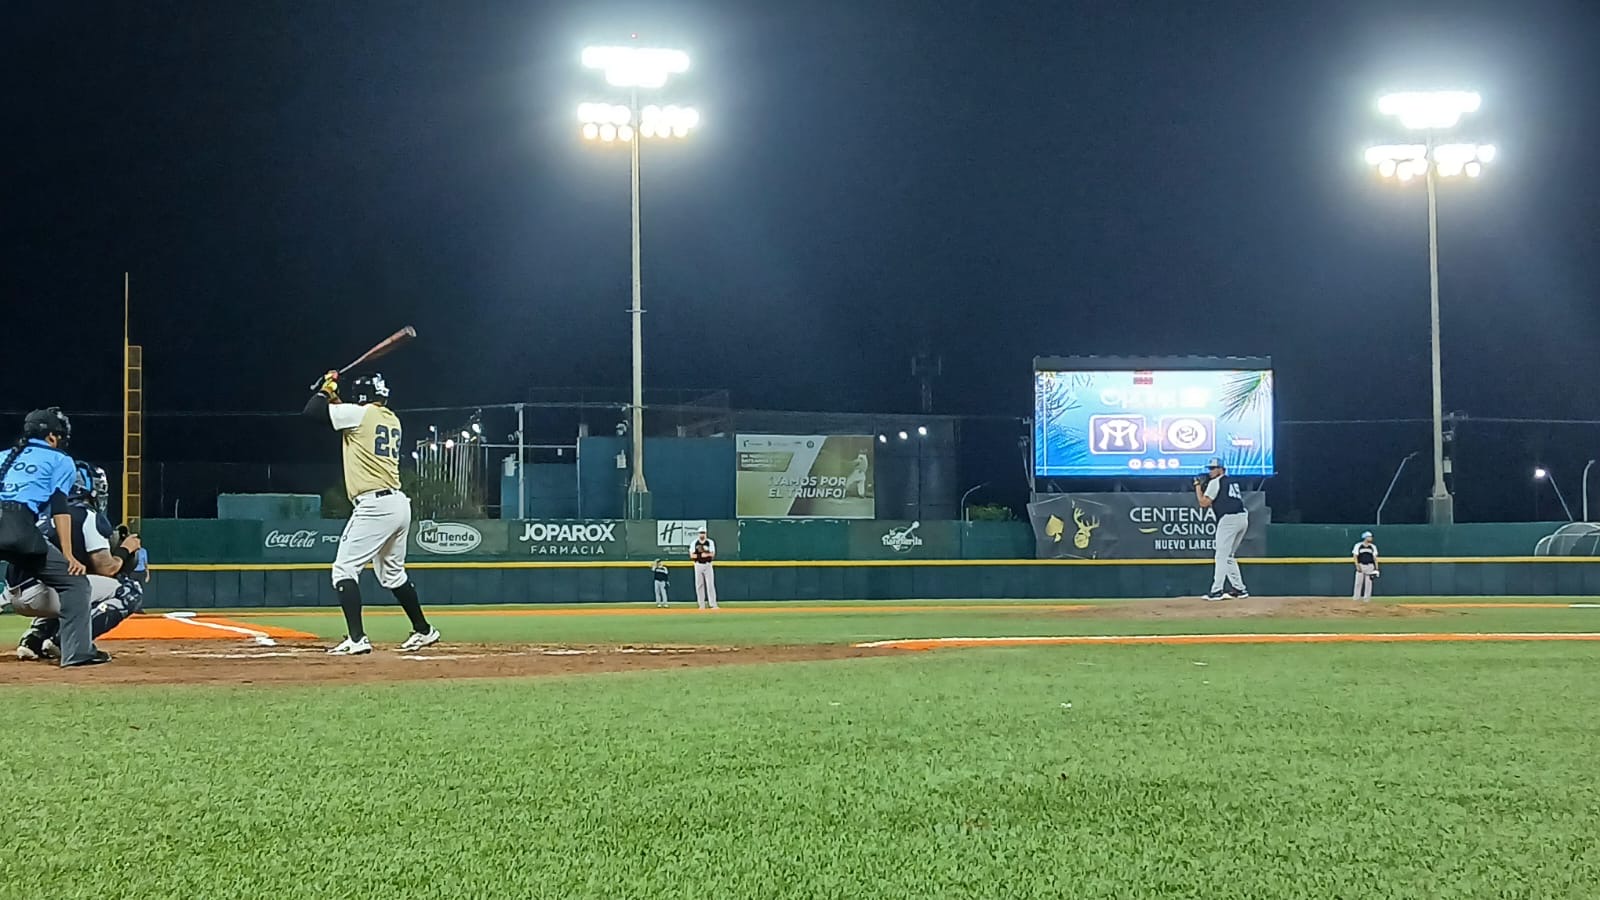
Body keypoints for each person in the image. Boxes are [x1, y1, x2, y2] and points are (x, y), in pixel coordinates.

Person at [303, 370, 440, 655]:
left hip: (375, 505)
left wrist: (327, 388)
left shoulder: (360, 414)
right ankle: (424, 631)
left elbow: (311, 412)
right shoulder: (390, 418)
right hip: (398, 503)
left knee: (343, 569)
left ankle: (356, 638)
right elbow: (344, 414)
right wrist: (333, 394)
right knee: (392, 575)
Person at [0, 408, 108, 667]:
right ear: (51, 437)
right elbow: (60, 509)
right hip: (19, 527)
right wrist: (69, 555)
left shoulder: (3, 456)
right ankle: (76, 653)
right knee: (75, 585)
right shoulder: (60, 460)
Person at [13, 462, 146, 660]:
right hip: (43, 594)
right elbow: (107, 568)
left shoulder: (42, 513)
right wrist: (126, 549)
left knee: (70, 582)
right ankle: (66, 642)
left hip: (17, 593)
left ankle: (34, 640)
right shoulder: (86, 515)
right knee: (129, 590)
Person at [1194, 456, 1249, 601]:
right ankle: (1239, 589)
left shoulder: (1215, 482)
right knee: (1229, 556)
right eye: (1210, 468)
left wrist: (1198, 487)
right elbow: (1221, 501)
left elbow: (1204, 503)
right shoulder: (1232, 481)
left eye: (1213, 468)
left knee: (1220, 556)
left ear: (1221, 469)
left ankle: (1216, 590)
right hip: (1242, 518)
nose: (1211, 471)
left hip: (1229, 519)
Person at [690, 527, 718, 610]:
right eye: (700, 533)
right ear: (698, 534)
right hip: (698, 564)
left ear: (706, 533)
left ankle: (713, 604)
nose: (702, 534)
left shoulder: (710, 542)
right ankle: (701, 605)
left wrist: (706, 555)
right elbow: (692, 555)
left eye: (703, 532)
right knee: (699, 585)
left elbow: (712, 554)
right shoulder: (694, 543)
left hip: (708, 564)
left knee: (710, 585)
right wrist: (700, 555)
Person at [1352, 531, 1380, 602]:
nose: (1371, 538)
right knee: (1358, 582)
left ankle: (1367, 599)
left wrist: (1376, 568)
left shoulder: (1373, 546)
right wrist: (1357, 565)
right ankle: (1356, 598)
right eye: (1369, 536)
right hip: (1361, 565)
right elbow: (1355, 556)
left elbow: (1375, 558)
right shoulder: (1358, 545)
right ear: (1365, 537)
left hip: (1370, 566)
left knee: (1368, 583)